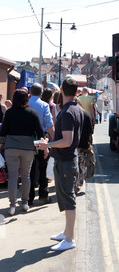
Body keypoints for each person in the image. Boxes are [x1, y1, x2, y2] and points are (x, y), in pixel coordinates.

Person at [37, 78, 83, 251]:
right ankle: (66, 232)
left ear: (62, 90)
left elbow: (67, 140)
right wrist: (49, 142)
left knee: (69, 199)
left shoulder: (67, 112)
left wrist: (48, 145)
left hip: (66, 160)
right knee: (65, 197)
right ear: (76, 91)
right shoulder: (75, 109)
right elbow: (65, 139)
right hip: (66, 159)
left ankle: (70, 239)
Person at [0, 89, 44, 216]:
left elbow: (3, 131)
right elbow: (40, 132)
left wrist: (1, 143)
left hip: (11, 148)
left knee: (13, 177)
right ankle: (25, 203)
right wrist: (44, 146)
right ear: (26, 99)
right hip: (28, 148)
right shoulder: (32, 113)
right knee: (26, 176)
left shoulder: (9, 112)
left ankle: (12, 206)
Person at [28, 83, 55, 205]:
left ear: (30, 92)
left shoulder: (26, 104)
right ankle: (43, 194)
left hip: (27, 139)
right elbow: (49, 125)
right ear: (42, 93)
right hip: (41, 138)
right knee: (43, 166)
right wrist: (53, 141)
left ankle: (29, 198)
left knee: (29, 169)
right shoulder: (44, 105)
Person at [76, 99, 94, 194]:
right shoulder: (86, 115)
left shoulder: (70, 114)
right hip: (82, 145)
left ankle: (73, 184)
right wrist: (90, 143)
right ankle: (78, 184)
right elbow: (90, 132)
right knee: (81, 165)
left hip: (71, 145)